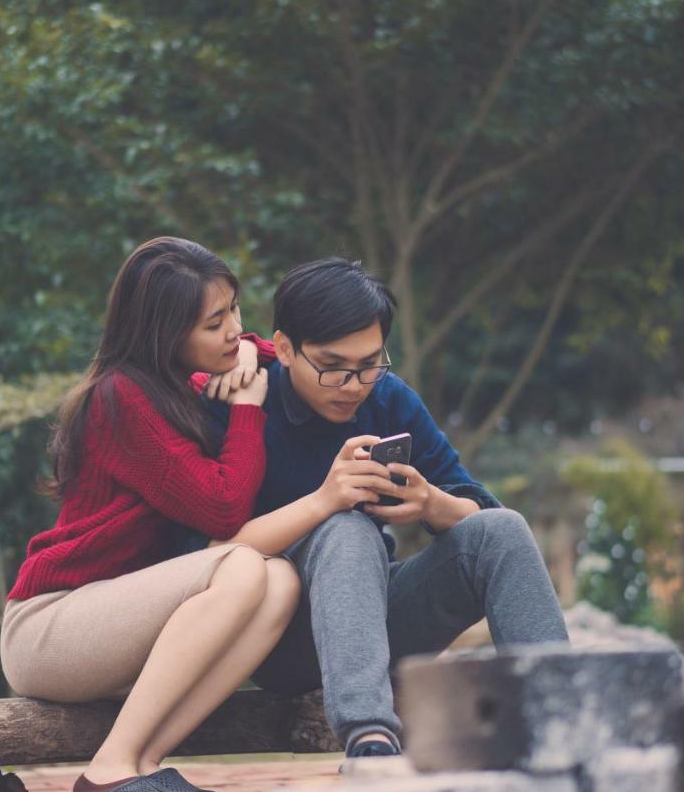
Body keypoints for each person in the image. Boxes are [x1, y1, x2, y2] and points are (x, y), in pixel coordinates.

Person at [195, 257, 570, 762]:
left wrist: (430, 503)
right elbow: (198, 559)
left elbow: (479, 508)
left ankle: (562, 724)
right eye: (333, 367)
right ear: (284, 348)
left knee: (501, 529)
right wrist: (325, 501)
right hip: (277, 638)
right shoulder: (237, 404)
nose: (354, 384)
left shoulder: (388, 399)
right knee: (346, 526)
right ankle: (371, 741)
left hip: (376, 625)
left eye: (370, 364)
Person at [0, 236, 298, 792]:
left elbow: (266, 352)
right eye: (216, 322)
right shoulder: (120, 398)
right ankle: (108, 768)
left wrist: (249, 354)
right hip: (50, 625)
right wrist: (247, 407)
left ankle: (145, 759)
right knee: (240, 562)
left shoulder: (175, 383)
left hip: (114, 625)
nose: (236, 330)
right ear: (165, 332)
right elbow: (222, 510)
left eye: (236, 310)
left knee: (282, 580)